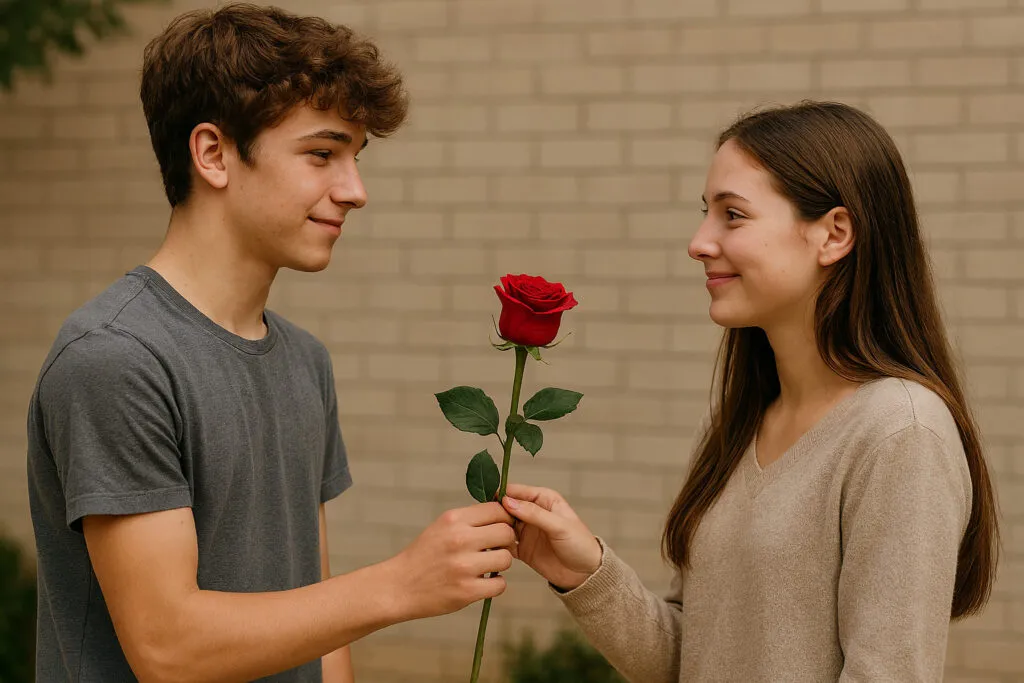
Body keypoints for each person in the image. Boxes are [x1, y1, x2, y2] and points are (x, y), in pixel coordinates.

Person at [25, 5, 516, 682]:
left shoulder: (305, 361)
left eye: (355, 158)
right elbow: (169, 648)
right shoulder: (116, 359)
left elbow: (321, 614)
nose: (356, 191)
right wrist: (402, 583)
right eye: (322, 154)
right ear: (214, 154)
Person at [501, 101, 999, 682]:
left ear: (834, 234)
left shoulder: (899, 433)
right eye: (706, 213)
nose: (698, 243)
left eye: (732, 215)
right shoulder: (735, 425)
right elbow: (694, 661)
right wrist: (585, 571)